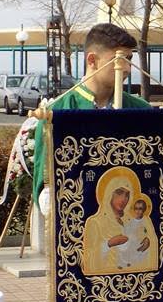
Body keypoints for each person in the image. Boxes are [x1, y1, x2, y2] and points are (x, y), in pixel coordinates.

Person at [32, 23, 150, 209]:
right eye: (117, 60)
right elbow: (44, 187)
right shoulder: (57, 112)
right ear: (92, 60)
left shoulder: (142, 111)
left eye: (129, 59)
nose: (127, 68)